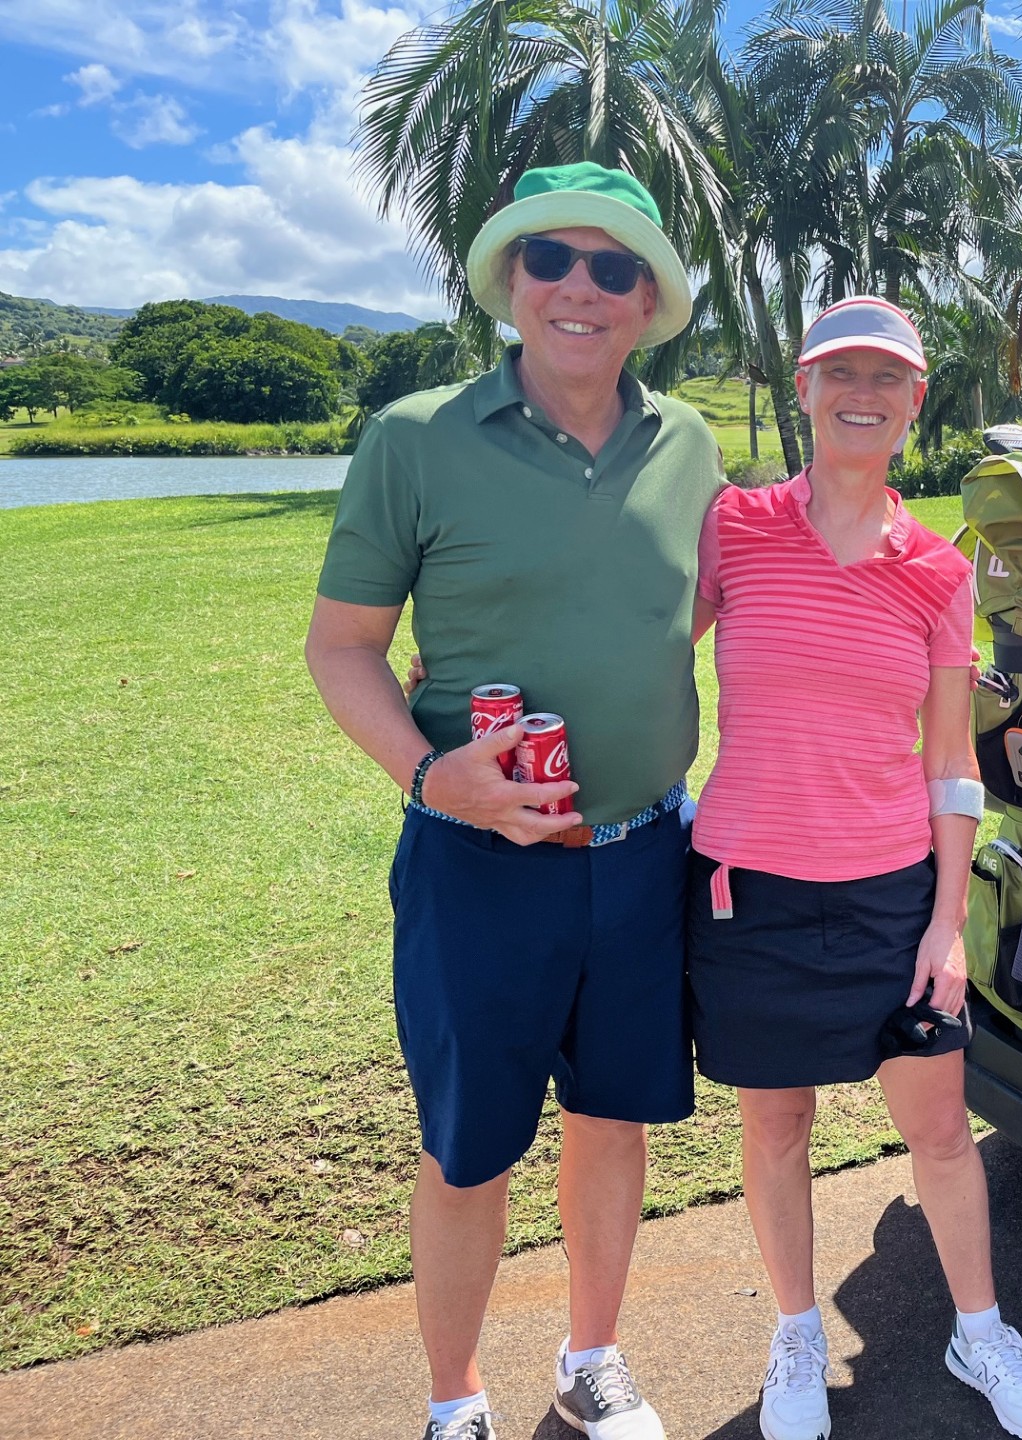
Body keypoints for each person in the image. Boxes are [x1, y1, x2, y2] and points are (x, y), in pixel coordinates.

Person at [304, 161, 721, 1440]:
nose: (578, 288)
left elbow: (683, 604)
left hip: (644, 855)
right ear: (510, 280)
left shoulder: (690, 443)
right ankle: (456, 1400)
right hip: (476, 868)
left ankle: (592, 1361)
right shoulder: (416, 438)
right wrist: (432, 775)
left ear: (647, 302)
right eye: (551, 259)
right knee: (468, 1148)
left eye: (613, 267)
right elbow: (342, 647)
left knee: (612, 1123)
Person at [687, 296, 1022, 1440]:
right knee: (777, 1128)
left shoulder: (937, 572)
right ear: (803, 387)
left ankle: (979, 1330)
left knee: (940, 1130)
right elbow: (636, 651)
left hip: (892, 895)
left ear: (914, 403)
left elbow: (952, 764)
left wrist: (947, 924)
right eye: (841, 371)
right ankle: (796, 1331)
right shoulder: (734, 528)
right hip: (749, 889)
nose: (863, 392)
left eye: (887, 376)